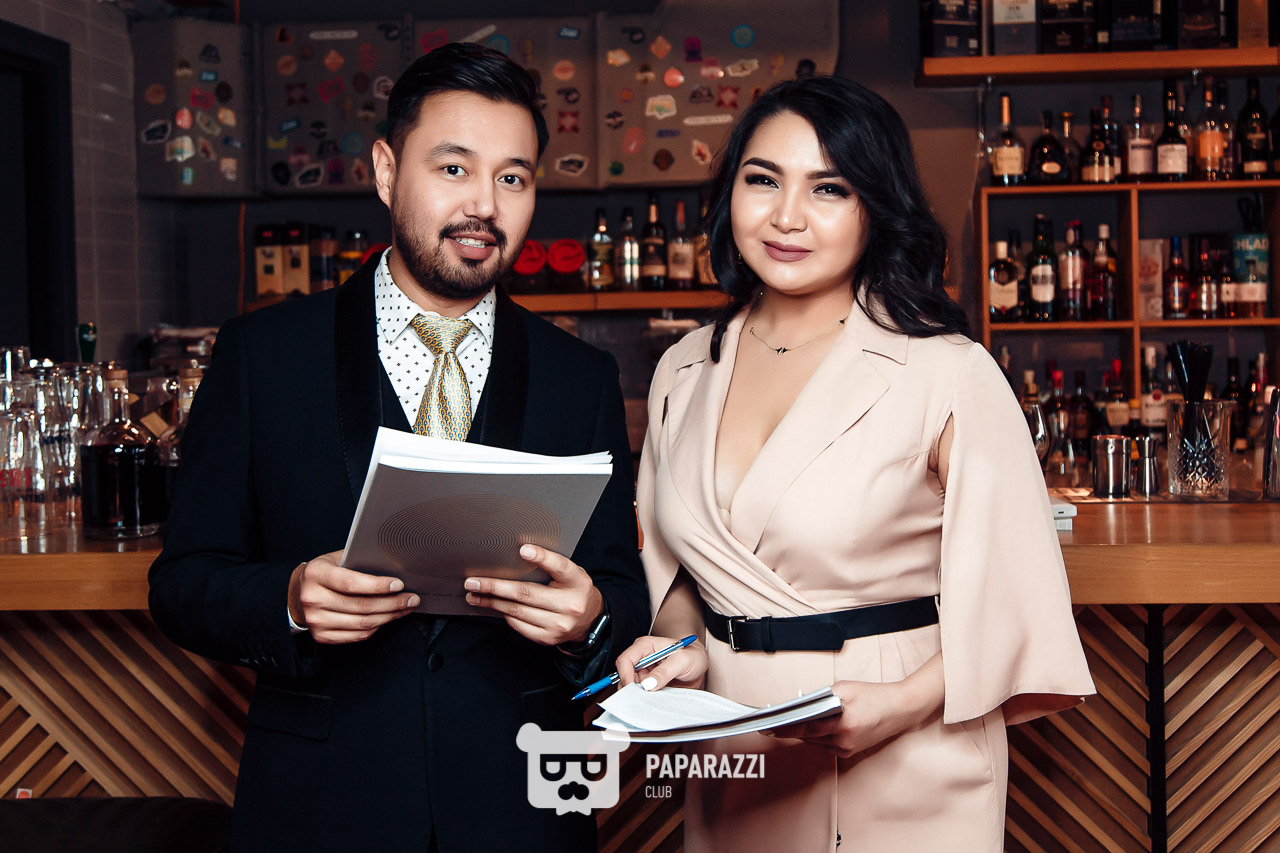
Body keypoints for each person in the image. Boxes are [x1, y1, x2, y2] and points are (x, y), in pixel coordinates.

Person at [148, 43, 649, 853]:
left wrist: (590, 620)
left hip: (522, 805)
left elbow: (622, 589)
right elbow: (182, 582)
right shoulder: (262, 355)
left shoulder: (580, 378)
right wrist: (289, 599)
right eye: (453, 168)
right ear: (386, 172)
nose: (484, 204)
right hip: (320, 804)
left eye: (513, 178)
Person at [616, 76, 1095, 851]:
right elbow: (682, 580)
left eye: (829, 188)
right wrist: (675, 652)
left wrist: (900, 704)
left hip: (905, 749)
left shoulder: (947, 371)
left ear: (876, 206)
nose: (787, 216)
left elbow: (1022, 602)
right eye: (763, 180)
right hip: (736, 750)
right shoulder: (683, 369)